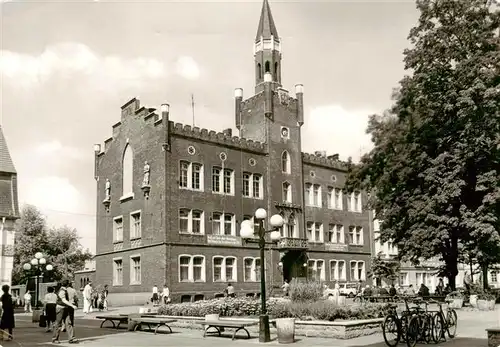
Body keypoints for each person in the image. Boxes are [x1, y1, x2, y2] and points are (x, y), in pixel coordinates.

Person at [52, 279, 78, 344]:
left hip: (65, 308)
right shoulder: (62, 291)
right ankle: (55, 339)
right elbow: (64, 300)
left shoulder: (64, 290)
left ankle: (71, 338)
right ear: (68, 284)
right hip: (60, 308)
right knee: (58, 324)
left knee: (68, 323)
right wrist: (72, 305)